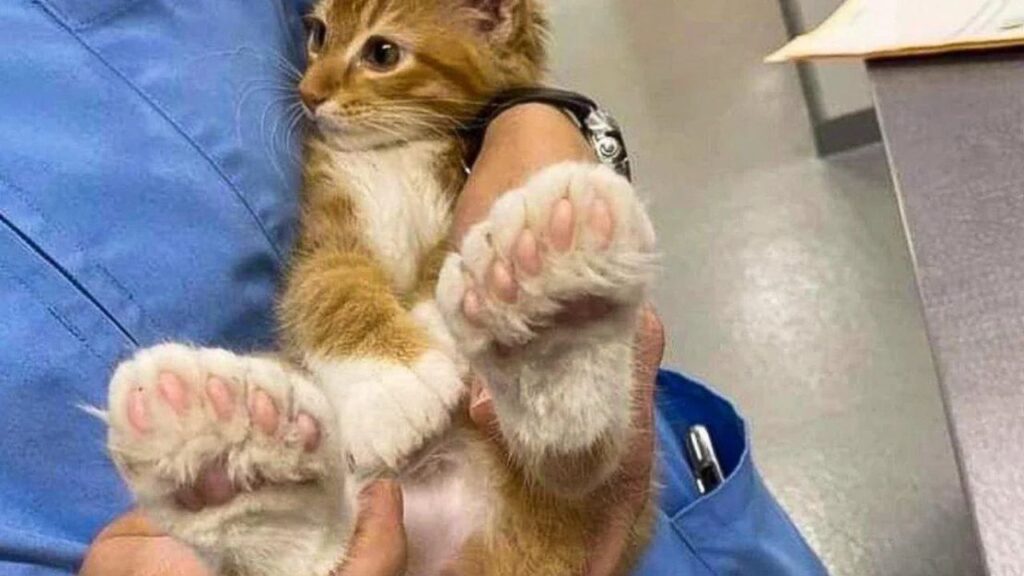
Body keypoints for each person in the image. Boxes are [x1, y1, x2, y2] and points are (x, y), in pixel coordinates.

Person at [0, 2, 825, 575]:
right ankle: (277, 529)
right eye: (318, 37)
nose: (311, 84)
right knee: (307, 497)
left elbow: (493, 74)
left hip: (516, 497)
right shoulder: (344, 144)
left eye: (362, 50)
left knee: (537, 445)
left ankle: (556, 395)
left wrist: (544, 121)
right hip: (298, 480)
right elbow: (328, 263)